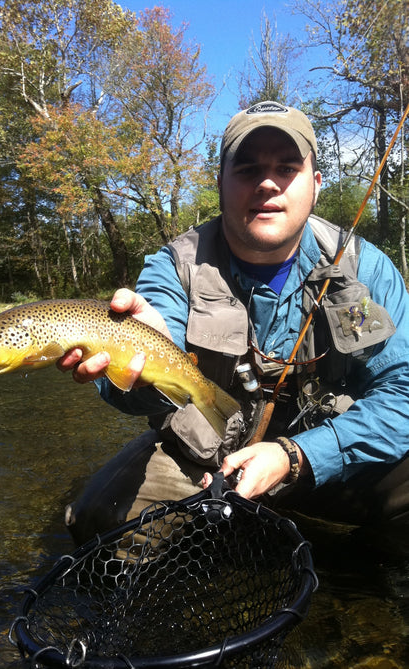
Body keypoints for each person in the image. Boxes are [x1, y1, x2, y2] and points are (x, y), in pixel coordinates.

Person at [58, 101, 409, 545]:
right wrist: (145, 370)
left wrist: (298, 456)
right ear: (220, 184)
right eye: (246, 170)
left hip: (324, 457)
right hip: (206, 466)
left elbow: (404, 391)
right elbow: (124, 385)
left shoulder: (364, 266)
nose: (267, 183)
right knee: (100, 525)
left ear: (315, 185)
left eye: (286, 169)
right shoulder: (174, 268)